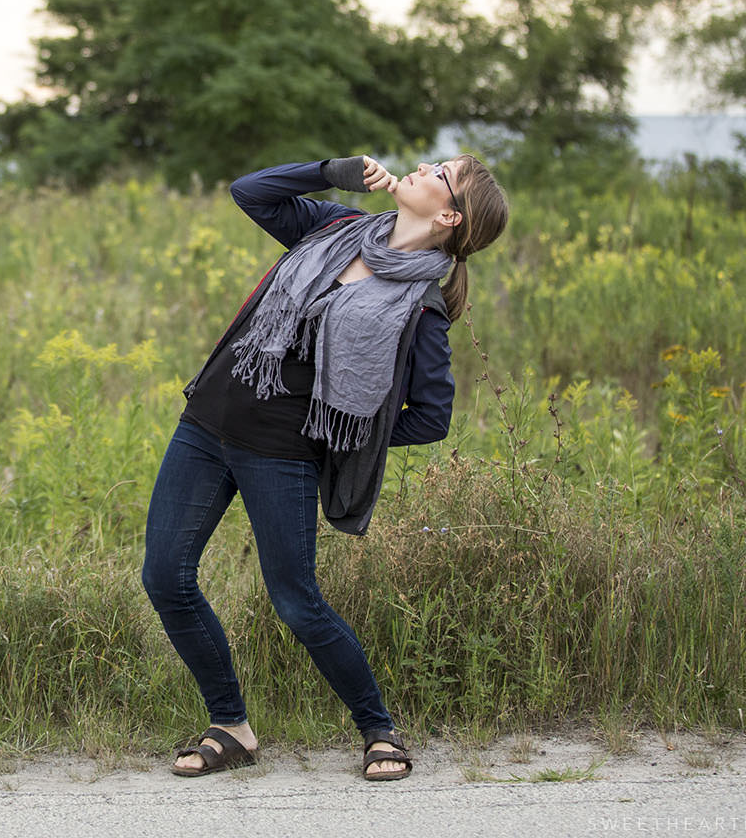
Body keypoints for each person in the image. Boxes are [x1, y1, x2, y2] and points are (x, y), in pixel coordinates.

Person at [141, 153, 508, 782]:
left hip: (282, 453)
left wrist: (332, 433)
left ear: (449, 214)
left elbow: (430, 417)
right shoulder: (336, 227)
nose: (422, 165)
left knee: (296, 602)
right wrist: (333, 170)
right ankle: (230, 724)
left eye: (440, 172)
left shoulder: (420, 306)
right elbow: (248, 190)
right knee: (164, 577)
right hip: (206, 422)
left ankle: (378, 729)